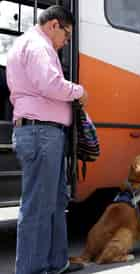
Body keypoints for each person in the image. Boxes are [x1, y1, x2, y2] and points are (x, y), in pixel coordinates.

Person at [6, 5, 88, 274]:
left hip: (43, 133)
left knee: (54, 203)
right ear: (54, 25)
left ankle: (57, 262)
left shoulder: (30, 44)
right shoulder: (38, 46)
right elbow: (50, 84)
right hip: (41, 133)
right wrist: (78, 91)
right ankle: (31, 269)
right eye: (66, 34)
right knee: (38, 207)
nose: (66, 41)